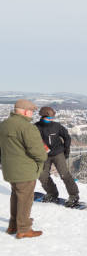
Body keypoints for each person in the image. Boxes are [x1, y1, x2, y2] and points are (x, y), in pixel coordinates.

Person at [0, 99, 47, 239]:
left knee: (16, 196)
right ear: (26, 111)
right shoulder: (27, 127)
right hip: (25, 169)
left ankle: (13, 225)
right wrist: (43, 157)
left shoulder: (4, 125)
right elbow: (37, 151)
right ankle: (24, 228)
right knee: (25, 199)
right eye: (31, 111)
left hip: (9, 168)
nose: (32, 114)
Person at [35, 106, 80, 207]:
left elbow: (67, 137)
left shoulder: (56, 126)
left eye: (51, 118)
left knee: (64, 174)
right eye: (48, 118)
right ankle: (52, 193)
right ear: (42, 117)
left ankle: (74, 196)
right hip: (44, 155)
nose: (50, 120)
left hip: (58, 153)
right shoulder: (36, 127)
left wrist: (66, 150)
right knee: (42, 175)